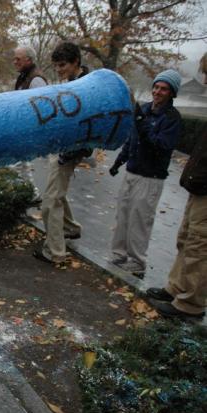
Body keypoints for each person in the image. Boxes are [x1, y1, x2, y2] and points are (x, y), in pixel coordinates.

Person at [146, 62, 206, 321]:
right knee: (186, 237)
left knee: (199, 245)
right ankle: (176, 288)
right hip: (198, 184)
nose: (205, 79)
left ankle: (191, 303)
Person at [108, 69, 183, 277]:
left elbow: (161, 146)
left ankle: (137, 261)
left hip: (150, 177)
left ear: (172, 93)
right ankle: (119, 254)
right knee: (122, 215)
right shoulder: (145, 109)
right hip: (132, 171)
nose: (158, 92)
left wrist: (143, 125)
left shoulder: (172, 119)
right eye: (156, 87)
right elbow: (132, 139)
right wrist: (118, 162)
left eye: (164, 89)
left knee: (140, 220)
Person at [34, 42, 90, 264]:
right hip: (63, 147)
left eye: (63, 65)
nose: (59, 70)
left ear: (76, 61)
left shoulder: (84, 87)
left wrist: (74, 150)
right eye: (56, 66)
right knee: (57, 192)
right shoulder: (76, 83)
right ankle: (70, 228)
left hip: (69, 151)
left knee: (50, 201)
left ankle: (55, 252)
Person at [12, 46, 47, 202]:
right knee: (21, 165)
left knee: (17, 164)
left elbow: (42, 107)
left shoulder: (36, 80)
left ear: (29, 60)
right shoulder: (25, 76)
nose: (15, 62)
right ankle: (32, 195)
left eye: (18, 59)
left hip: (28, 130)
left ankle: (28, 195)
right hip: (21, 128)